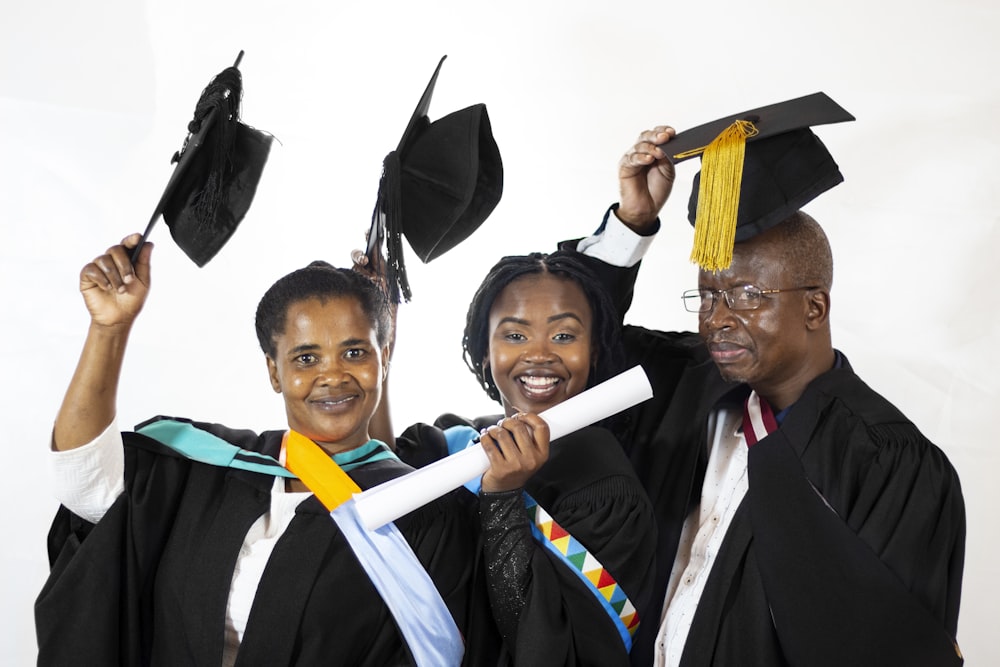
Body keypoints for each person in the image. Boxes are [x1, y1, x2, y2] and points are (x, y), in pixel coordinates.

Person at [564, 102, 966, 667]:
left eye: (749, 295)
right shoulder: (681, 391)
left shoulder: (888, 463)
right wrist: (631, 224)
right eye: (707, 295)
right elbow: (571, 346)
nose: (718, 318)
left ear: (814, 307)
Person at [35, 234, 475, 666]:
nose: (333, 375)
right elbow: (85, 484)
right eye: (306, 358)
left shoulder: (419, 511)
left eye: (354, 352)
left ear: (384, 359)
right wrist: (108, 329)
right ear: (274, 371)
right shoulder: (208, 467)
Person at [391, 251, 658, 666]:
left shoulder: (605, 487)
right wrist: (375, 336)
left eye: (564, 336)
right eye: (515, 335)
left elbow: (552, 649)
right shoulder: (456, 444)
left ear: (595, 351)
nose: (539, 354)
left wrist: (502, 496)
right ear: (484, 350)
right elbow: (372, 484)